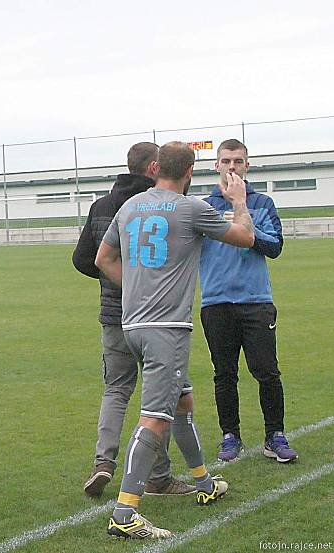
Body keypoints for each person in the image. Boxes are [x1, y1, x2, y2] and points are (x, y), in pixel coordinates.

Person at [95, 141, 255, 538]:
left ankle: (203, 484)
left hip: (131, 325)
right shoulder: (191, 208)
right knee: (155, 418)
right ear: (189, 171)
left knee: (183, 402)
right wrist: (239, 200)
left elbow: (102, 259)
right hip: (166, 329)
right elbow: (245, 238)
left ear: (155, 168)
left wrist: (136, 290)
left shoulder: (129, 207)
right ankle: (125, 512)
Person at [73, 142, 195, 498]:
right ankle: (157, 475)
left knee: (116, 389)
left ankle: (103, 463)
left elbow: (85, 260)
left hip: (113, 316)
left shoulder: (102, 205)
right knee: (162, 399)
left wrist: (115, 281)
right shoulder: (159, 204)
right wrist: (138, 283)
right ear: (156, 167)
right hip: (157, 316)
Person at [200, 139, 298, 463]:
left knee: (267, 372)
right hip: (215, 302)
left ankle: (275, 435)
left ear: (247, 165)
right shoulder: (203, 207)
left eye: (238, 161)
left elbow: (275, 246)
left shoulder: (263, 203)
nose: (231, 167)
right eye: (225, 161)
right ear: (216, 165)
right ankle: (230, 436)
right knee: (224, 374)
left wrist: (242, 210)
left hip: (256, 301)